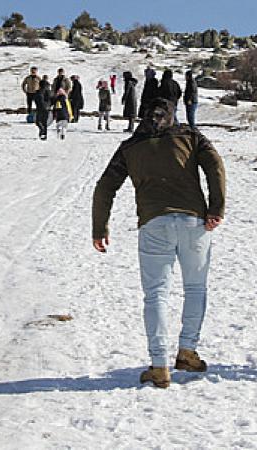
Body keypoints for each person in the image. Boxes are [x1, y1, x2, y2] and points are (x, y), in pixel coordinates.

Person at [92, 98, 226, 389]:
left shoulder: (130, 146)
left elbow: (105, 186)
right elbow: (215, 165)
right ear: (173, 114)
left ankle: (159, 365)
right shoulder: (191, 136)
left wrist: (99, 227)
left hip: (154, 223)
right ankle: (187, 351)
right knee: (195, 287)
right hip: (194, 222)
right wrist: (216, 208)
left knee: (156, 295)